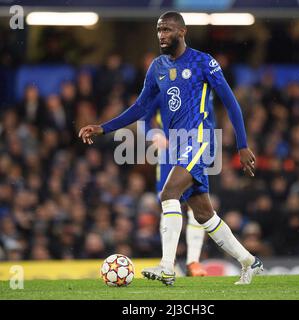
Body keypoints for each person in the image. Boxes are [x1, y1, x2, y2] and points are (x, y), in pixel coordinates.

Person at [78, 11, 263, 286]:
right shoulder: (157, 67)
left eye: (167, 29)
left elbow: (231, 102)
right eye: (159, 30)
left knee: (168, 193)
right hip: (177, 146)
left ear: (182, 31)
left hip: (200, 140)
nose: (162, 35)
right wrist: (103, 127)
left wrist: (243, 145)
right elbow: (141, 108)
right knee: (203, 214)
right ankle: (251, 262)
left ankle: (167, 267)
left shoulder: (203, 62)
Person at [144, 96, 209, 277]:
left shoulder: (200, 89)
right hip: (167, 156)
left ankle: (193, 262)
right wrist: (154, 134)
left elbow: (209, 119)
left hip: (194, 151)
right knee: (169, 205)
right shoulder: (160, 88)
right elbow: (144, 118)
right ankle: (168, 261)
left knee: (197, 205)